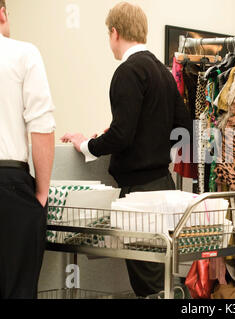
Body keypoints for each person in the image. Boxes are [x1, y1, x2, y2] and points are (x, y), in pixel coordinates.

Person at [62, 2, 191, 298]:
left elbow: (121, 135)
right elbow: (182, 127)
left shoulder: (127, 72)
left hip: (139, 195)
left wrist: (86, 144)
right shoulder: (163, 72)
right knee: (165, 278)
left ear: (115, 33)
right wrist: (153, 144)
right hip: (164, 186)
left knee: (149, 284)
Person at [0, 0, 56, 299]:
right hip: (9, 186)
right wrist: (41, 194)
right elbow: (42, 127)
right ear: (2, 13)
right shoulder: (22, 54)